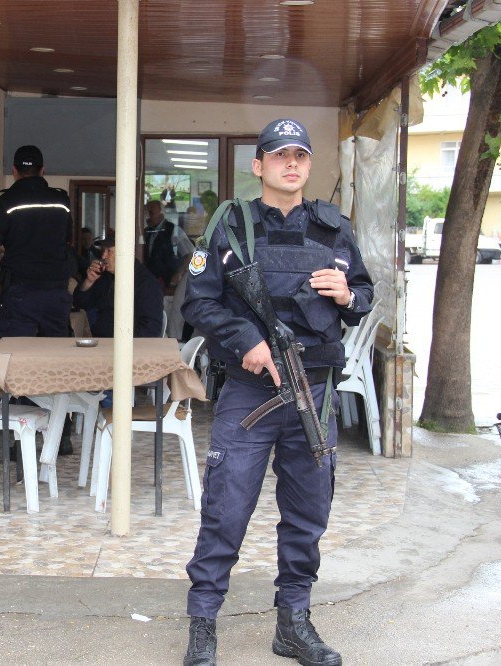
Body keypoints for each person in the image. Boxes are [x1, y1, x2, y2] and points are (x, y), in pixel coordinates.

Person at [181, 118, 373, 666]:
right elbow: (197, 302)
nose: (292, 164)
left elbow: (364, 292)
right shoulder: (230, 226)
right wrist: (246, 339)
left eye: (301, 156)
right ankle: (203, 626)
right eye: (280, 155)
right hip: (250, 392)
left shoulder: (335, 230)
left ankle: (293, 623)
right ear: (258, 165)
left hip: (314, 390)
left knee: (308, 512)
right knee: (227, 507)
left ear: (309, 166)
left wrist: (347, 295)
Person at [0, 145, 74, 338]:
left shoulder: (7, 201)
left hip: (21, 291)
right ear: (42, 170)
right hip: (55, 289)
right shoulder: (60, 200)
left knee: (15, 351)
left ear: (14, 171)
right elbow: (68, 238)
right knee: (57, 351)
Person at [73, 237, 164, 338]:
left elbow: (150, 329)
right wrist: (89, 281)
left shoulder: (146, 283)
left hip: (128, 347)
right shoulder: (105, 277)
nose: (103, 256)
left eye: (109, 251)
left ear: (126, 253)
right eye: (103, 251)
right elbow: (79, 303)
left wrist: (124, 348)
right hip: (101, 342)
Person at [143, 199, 195, 289]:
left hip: (169, 282)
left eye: (151, 213)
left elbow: (190, 254)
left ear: (161, 214)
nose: (148, 217)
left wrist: (179, 274)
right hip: (151, 281)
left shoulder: (174, 230)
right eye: (147, 213)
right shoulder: (147, 232)